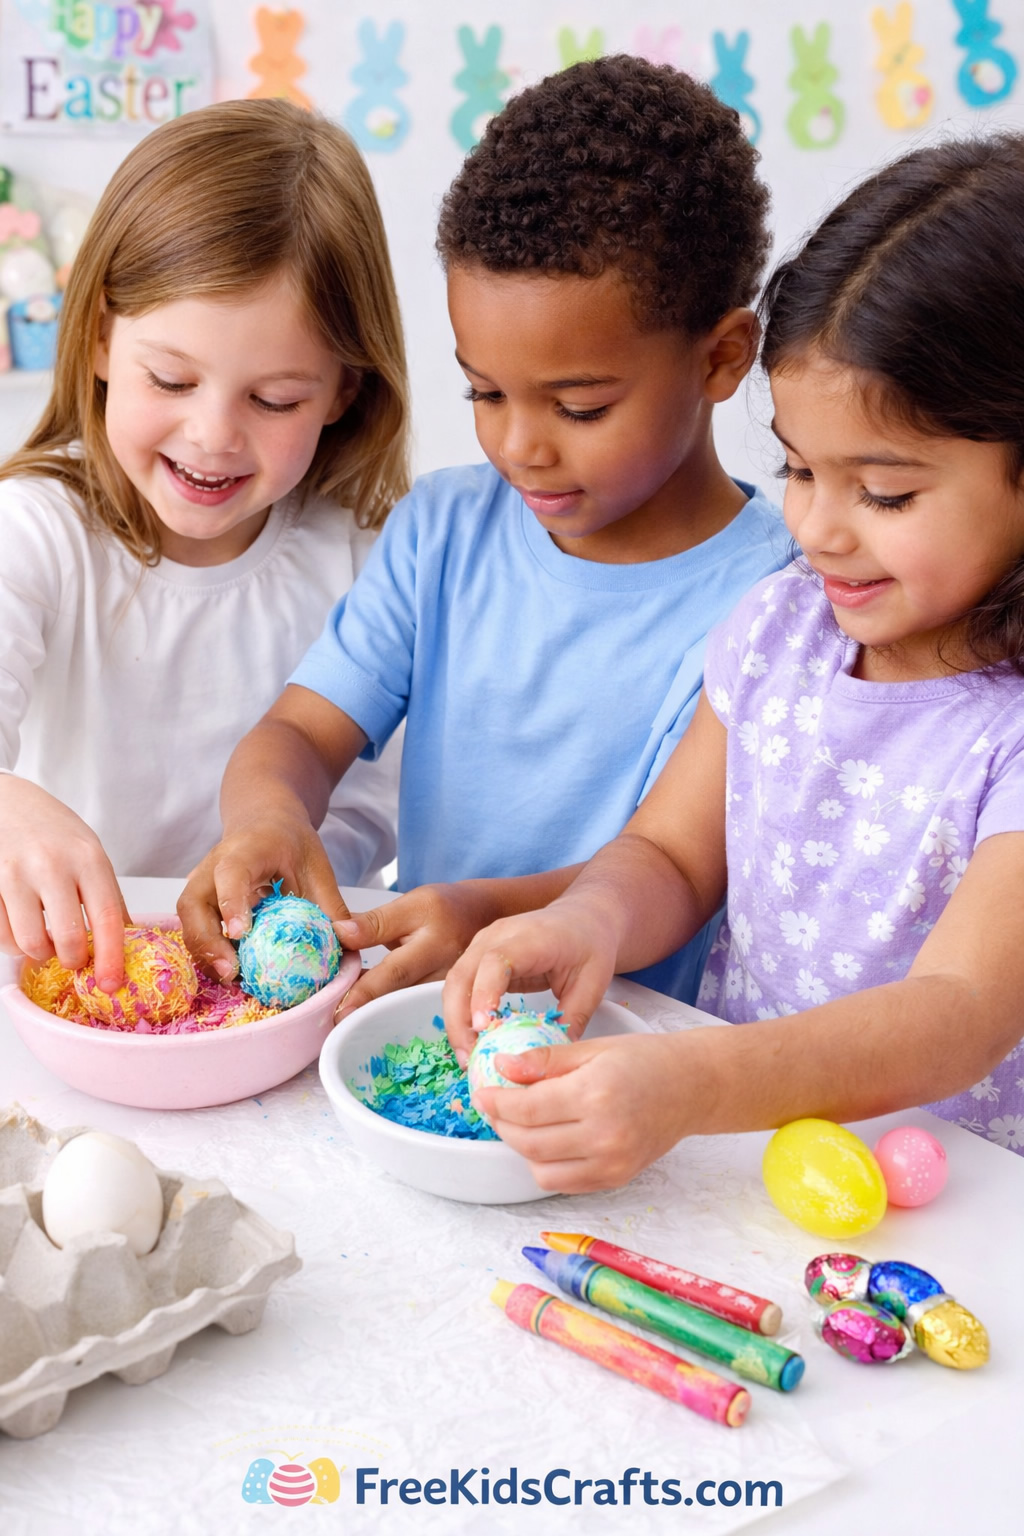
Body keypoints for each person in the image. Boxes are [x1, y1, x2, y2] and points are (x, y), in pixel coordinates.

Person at [442, 133, 1024, 1186]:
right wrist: (587, 921)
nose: (818, 529)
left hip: (957, 1209)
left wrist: (693, 1083)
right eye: (798, 470)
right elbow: (671, 856)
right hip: (745, 1173)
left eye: (883, 493)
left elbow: (961, 1013)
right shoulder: (782, 630)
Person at [179, 56, 789, 1006]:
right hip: (413, 1027)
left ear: (722, 358)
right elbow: (301, 728)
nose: (518, 447)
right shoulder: (443, 532)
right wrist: (269, 817)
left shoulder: (783, 598)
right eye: (484, 393)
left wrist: (481, 917)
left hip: (627, 1044)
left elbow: (680, 868)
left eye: (579, 407)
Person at [0, 99, 408, 994]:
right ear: (99, 335)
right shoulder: (35, 530)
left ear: (344, 391)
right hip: (68, 976)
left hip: (269, 993)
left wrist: (272, 878)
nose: (214, 435)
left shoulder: (365, 557)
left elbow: (371, 804)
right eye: (171, 379)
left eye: (274, 400)